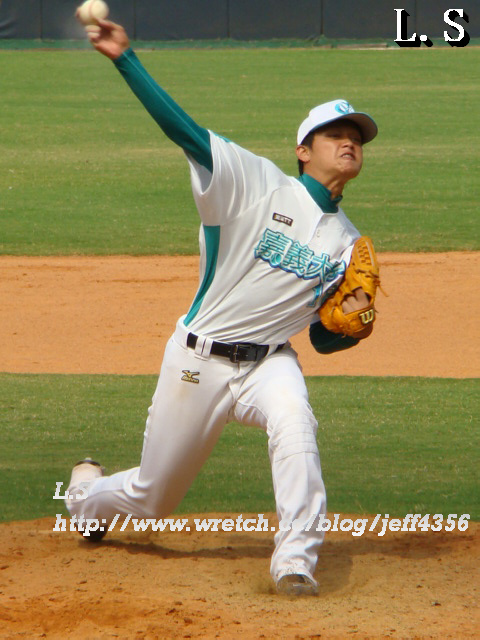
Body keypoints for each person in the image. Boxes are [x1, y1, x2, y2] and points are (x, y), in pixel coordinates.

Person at [66, 19, 378, 597]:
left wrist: (354, 327)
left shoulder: (349, 244)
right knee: (153, 498)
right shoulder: (256, 183)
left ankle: (295, 561)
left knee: (296, 422)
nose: (349, 141)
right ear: (303, 151)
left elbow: (321, 337)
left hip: (269, 362)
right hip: (198, 359)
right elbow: (185, 133)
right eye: (335, 133)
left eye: (356, 135)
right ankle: (84, 494)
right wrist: (125, 58)